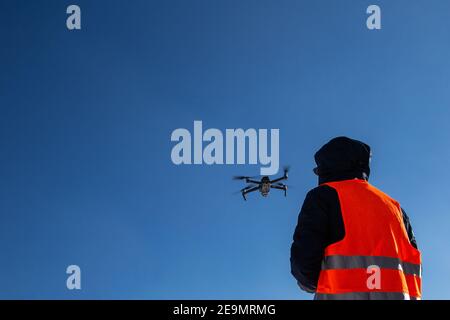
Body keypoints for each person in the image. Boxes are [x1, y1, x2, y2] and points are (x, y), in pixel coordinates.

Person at [290, 137, 422, 300]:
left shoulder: (323, 196)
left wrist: (309, 283)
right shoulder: (396, 209)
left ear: (325, 169)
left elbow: (305, 265)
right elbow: (413, 265)